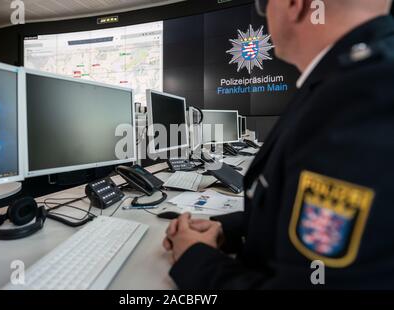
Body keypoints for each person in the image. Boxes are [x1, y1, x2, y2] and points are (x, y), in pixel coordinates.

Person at [163, 0, 394, 289]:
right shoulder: (346, 80)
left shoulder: (361, 98)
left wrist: (193, 258)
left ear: (294, 4)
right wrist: (228, 229)